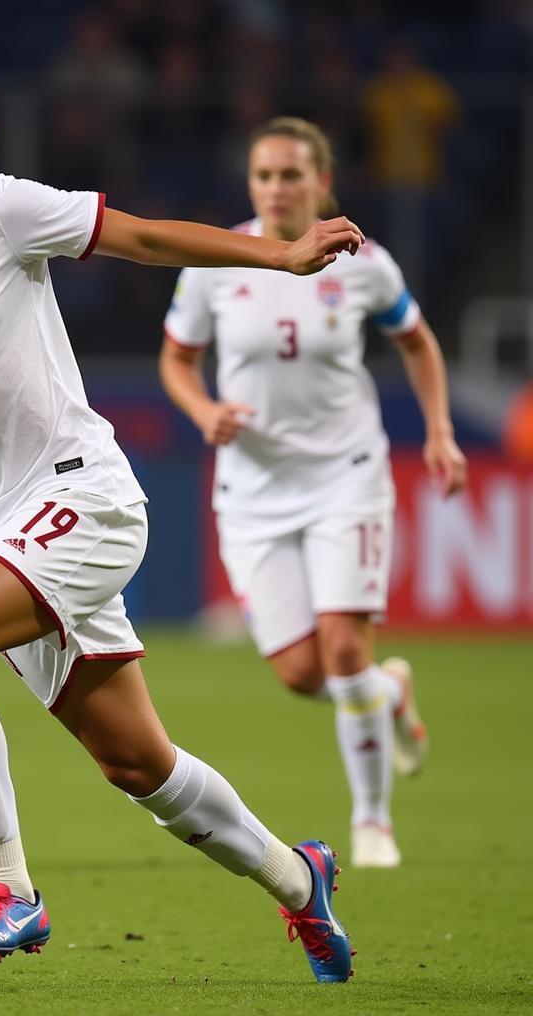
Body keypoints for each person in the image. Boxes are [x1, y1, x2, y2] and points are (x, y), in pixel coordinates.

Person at [0, 39, 364, 982]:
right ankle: (297, 878)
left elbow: (142, 236)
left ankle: (8, 889)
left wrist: (279, 254)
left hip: (80, 495)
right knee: (139, 766)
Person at [159, 117, 467, 869]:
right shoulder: (216, 266)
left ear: (321, 182)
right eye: (264, 175)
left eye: (292, 174)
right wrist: (204, 412)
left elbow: (418, 341)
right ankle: (386, 696)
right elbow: (176, 360)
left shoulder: (364, 264)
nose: (276, 188)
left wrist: (438, 430)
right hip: (255, 490)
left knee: (343, 645)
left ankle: (373, 823)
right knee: (303, 673)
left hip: (346, 477)